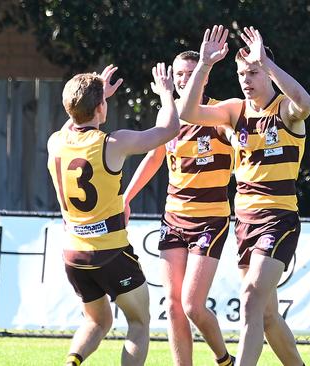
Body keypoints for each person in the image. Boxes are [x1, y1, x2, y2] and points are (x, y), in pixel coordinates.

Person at [179, 25, 310, 366]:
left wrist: (267, 63)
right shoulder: (235, 111)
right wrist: (206, 65)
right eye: (241, 73)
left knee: (251, 297)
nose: (246, 79)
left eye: (253, 72)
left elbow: (305, 102)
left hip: (278, 219)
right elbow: (187, 113)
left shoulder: (284, 110)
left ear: (268, 72)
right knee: (267, 317)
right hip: (245, 223)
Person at [47, 63, 179, 366]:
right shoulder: (112, 143)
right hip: (110, 252)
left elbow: (72, 124)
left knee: (97, 321)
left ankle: (71, 363)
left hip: (74, 255)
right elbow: (170, 130)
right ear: (100, 107)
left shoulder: (55, 142)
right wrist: (167, 94)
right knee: (139, 322)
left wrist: (95, 96)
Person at [123, 51, 235, 366]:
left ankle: (224, 359)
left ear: (204, 76)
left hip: (210, 219)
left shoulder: (217, 113)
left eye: (190, 73)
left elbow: (240, 142)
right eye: (179, 74)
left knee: (192, 305)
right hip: (174, 219)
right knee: (173, 305)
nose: (184, 80)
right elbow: (154, 157)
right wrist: (126, 198)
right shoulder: (169, 117)